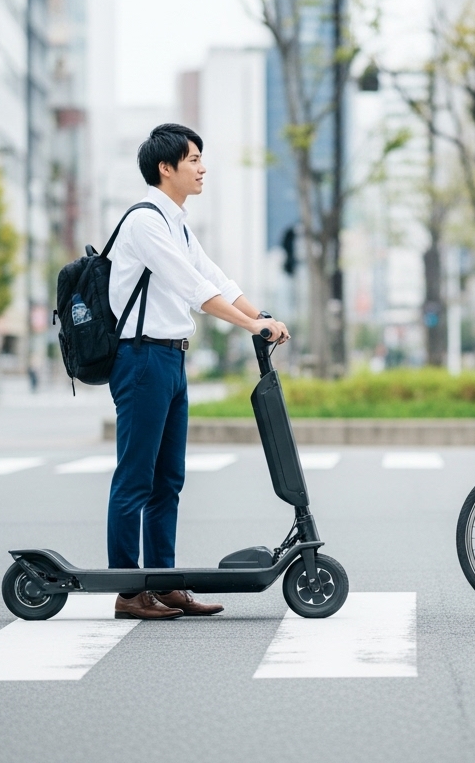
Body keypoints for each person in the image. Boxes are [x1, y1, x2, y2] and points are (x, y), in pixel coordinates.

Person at [107, 123, 289, 620]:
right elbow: (193, 290)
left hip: (171, 357)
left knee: (168, 479)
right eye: (193, 159)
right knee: (136, 477)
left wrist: (263, 317)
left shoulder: (177, 224)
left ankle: (162, 583)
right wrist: (251, 324)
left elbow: (217, 279)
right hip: (142, 358)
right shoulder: (145, 223)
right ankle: (127, 589)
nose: (202, 166)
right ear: (165, 168)